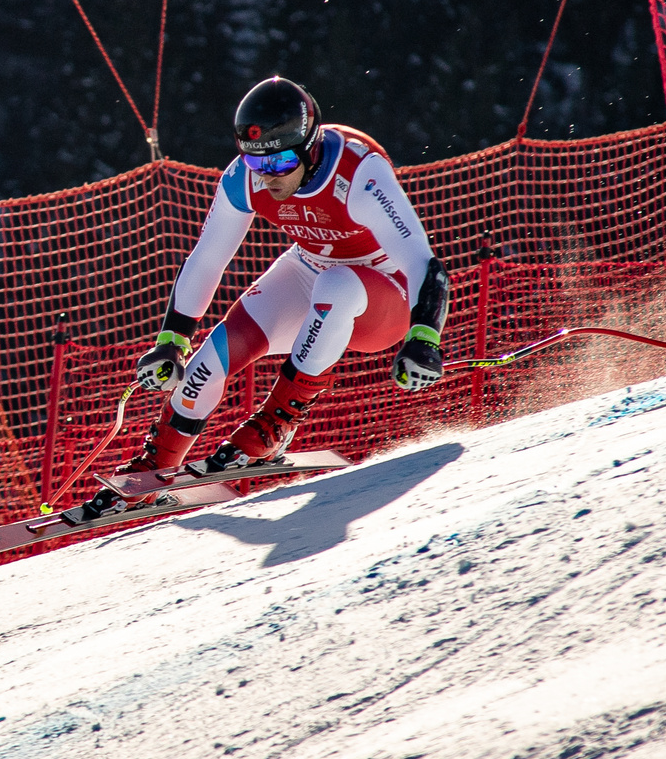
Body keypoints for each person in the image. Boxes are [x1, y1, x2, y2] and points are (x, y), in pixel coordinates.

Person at [82, 76, 449, 517]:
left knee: (335, 286)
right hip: (308, 268)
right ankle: (155, 468)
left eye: (278, 164)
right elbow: (206, 260)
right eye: (257, 165)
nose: (267, 177)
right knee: (207, 361)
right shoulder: (246, 178)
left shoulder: (358, 172)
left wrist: (424, 337)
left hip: (381, 292)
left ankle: (277, 422)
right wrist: (171, 342)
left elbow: (425, 265)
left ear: (311, 148)